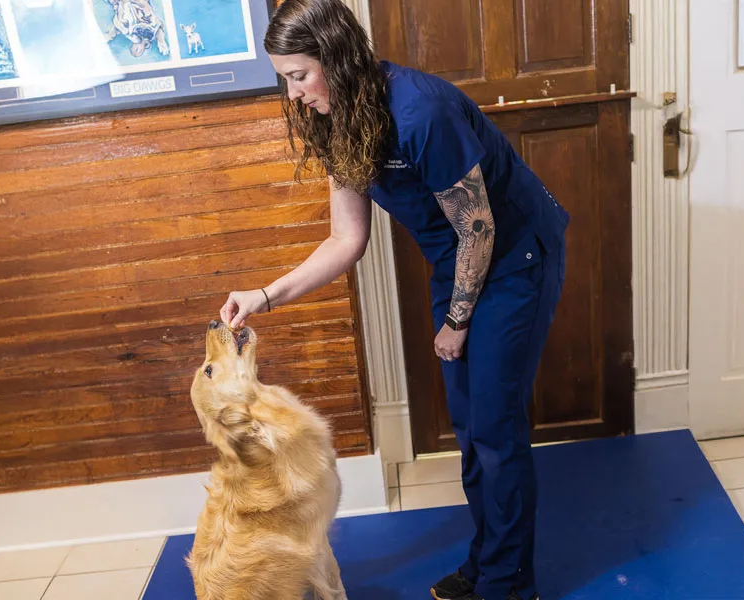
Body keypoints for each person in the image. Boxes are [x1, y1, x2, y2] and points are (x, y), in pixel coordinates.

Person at [219, 1, 569, 599]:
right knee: (471, 428)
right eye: (286, 78)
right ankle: (489, 563)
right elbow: (346, 239)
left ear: (336, 57)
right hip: (457, 261)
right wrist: (264, 296)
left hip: (513, 258)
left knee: (494, 427)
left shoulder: (420, 111)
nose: (295, 92)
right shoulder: (337, 119)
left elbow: (480, 228)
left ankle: (510, 586)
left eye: (299, 74)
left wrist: (457, 322)